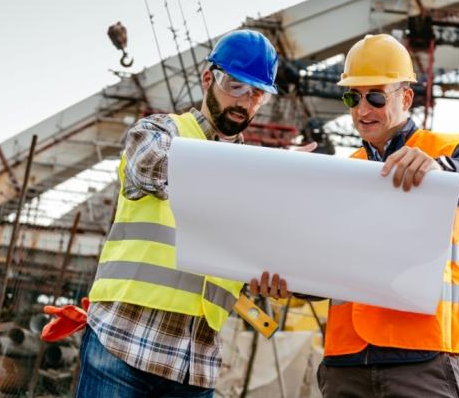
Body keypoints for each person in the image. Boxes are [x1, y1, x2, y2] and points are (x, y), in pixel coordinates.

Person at [76, 27, 295, 398]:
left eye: (256, 93)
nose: (244, 101)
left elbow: (259, 253)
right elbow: (150, 168)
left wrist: (272, 279)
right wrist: (257, 177)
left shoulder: (258, 176)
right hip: (122, 343)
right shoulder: (160, 130)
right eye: (235, 86)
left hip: (195, 364)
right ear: (208, 78)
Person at [317, 34, 459, 398]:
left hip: (422, 358)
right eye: (352, 98)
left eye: (375, 96)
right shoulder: (346, 172)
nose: (362, 111)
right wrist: (285, 282)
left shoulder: (447, 151)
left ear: (405, 97)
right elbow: (327, 269)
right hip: (345, 362)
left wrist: (446, 170)